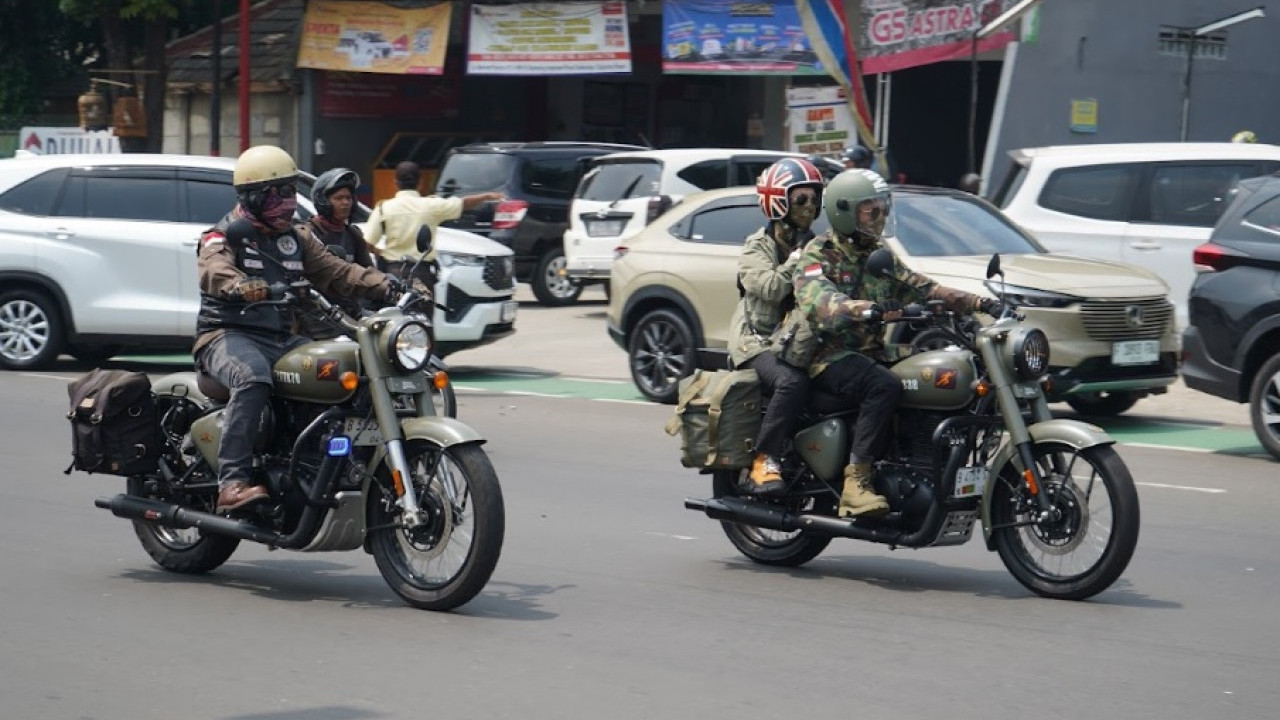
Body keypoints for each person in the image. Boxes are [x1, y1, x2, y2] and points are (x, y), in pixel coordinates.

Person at [195, 146, 404, 513]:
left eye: (291, 191)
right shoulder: (223, 234)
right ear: (253, 196)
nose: (288, 202)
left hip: (281, 338)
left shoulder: (297, 238)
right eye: (277, 193)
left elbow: (337, 271)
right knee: (253, 378)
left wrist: (385, 283)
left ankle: (322, 462)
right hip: (227, 335)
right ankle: (232, 483)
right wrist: (242, 285)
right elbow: (215, 270)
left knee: (345, 369)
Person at [794, 169, 996, 518]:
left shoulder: (877, 252)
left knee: (933, 371)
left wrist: (980, 303)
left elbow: (924, 288)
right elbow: (821, 304)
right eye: (871, 210)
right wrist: (869, 310)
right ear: (845, 212)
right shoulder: (817, 255)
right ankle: (856, 483)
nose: (881, 217)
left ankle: (919, 466)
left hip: (871, 352)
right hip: (828, 356)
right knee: (882, 385)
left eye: (883, 209)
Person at [728, 157, 825, 494]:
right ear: (778, 202)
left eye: (814, 199)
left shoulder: (814, 242)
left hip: (797, 341)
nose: (809, 207)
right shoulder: (757, 246)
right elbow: (769, 288)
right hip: (756, 343)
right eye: (801, 200)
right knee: (791, 382)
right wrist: (797, 262)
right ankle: (763, 459)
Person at [366, 160, 504, 277]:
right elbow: (463, 203)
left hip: (393, 272)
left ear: (395, 183)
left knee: (394, 309)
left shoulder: (383, 208)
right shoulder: (433, 205)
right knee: (423, 308)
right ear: (420, 183)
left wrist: (380, 253)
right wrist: (486, 196)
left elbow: (367, 242)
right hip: (422, 272)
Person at [301, 167, 376, 340]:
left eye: (348, 198)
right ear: (324, 201)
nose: (345, 203)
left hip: (352, 315)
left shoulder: (353, 234)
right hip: (318, 319)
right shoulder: (309, 234)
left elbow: (368, 272)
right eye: (338, 198)